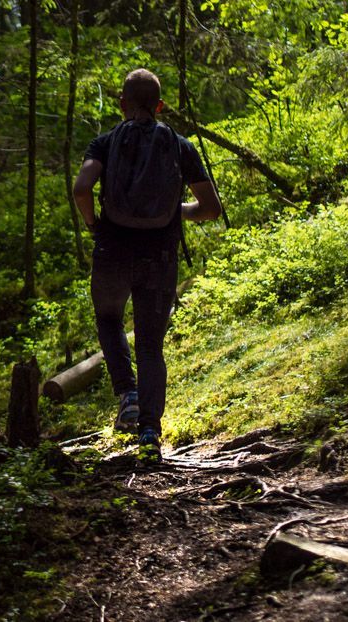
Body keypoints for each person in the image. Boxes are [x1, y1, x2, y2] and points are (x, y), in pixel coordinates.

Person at [73, 68, 221, 460]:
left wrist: (93, 225)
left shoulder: (104, 143)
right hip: (160, 257)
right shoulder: (180, 146)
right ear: (159, 105)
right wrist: (177, 211)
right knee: (151, 345)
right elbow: (211, 209)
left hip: (112, 251)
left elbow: (82, 187)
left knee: (108, 319)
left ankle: (128, 394)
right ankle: (150, 434)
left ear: (122, 104)